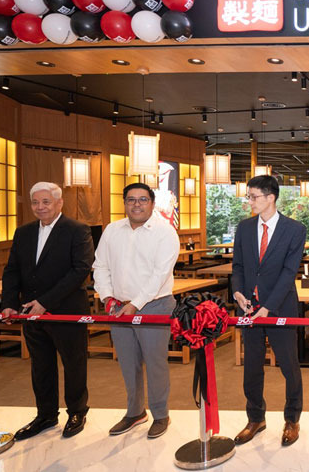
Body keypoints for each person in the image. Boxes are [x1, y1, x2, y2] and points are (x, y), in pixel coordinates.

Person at [1, 182, 94, 440]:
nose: (40, 207)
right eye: (35, 202)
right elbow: (12, 269)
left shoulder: (77, 230)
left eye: (46, 202)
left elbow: (80, 270)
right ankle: (46, 415)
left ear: (59, 203)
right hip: (30, 313)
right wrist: (9, 303)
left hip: (67, 311)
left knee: (74, 364)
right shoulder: (23, 232)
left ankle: (77, 411)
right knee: (41, 366)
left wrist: (45, 302)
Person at [93, 183, 180, 439]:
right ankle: (135, 412)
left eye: (143, 199)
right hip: (118, 307)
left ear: (152, 203)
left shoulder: (165, 232)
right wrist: (107, 297)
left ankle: (161, 414)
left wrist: (136, 304)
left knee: (155, 363)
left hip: (155, 305)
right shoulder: (112, 230)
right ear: (124, 203)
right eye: (131, 199)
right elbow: (100, 266)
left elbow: (160, 274)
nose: (137, 204)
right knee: (128, 363)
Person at [232, 175, 306, 447]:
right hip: (248, 309)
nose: (249, 201)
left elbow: (289, 272)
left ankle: (292, 419)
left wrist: (268, 307)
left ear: (271, 197)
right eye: (249, 197)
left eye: (254, 197)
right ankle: (255, 418)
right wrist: (238, 293)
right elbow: (238, 266)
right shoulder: (244, 228)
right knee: (252, 366)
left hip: (280, 307)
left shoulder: (294, 230)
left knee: (289, 366)